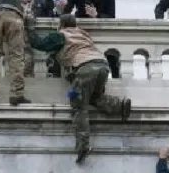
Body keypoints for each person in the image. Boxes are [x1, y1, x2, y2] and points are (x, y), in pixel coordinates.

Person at [25, 14, 131, 163]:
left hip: (85, 68)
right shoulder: (83, 34)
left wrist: (29, 28)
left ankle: (83, 145)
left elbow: (39, 44)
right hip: (102, 66)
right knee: (93, 97)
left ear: (61, 25)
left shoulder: (61, 36)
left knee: (78, 105)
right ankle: (119, 106)